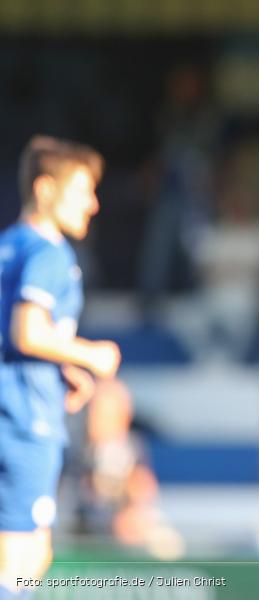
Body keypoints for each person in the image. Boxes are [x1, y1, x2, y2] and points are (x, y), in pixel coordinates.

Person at [0, 136, 121, 599]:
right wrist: (90, 355)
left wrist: (60, 365)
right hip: (24, 424)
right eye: (83, 190)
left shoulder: (8, 245)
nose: (93, 205)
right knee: (23, 563)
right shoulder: (49, 252)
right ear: (47, 190)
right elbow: (26, 332)